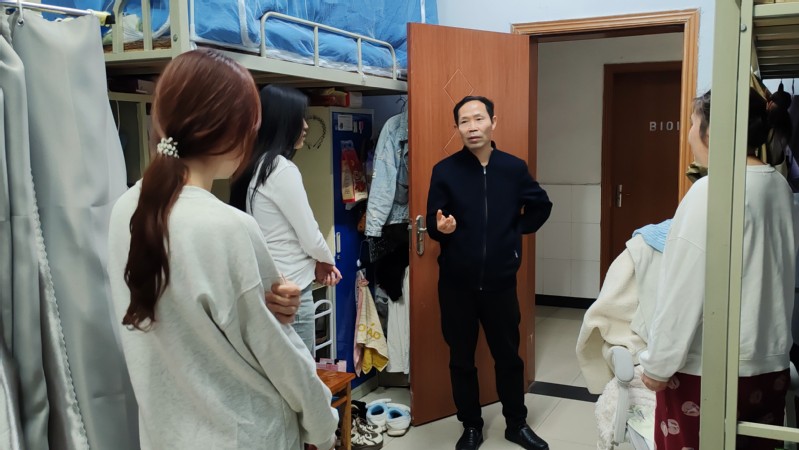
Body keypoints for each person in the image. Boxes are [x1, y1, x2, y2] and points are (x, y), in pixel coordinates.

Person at [107, 49, 338, 450]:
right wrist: (323, 424)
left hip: (166, 435)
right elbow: (280, 356)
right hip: (245, 435)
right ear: (234, 132)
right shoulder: (227, 227)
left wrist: (269, 302)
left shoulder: (125, 210)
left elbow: (188, 314)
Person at [640, 89, 797, 450]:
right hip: (769, 365)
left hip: (709, 371)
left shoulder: (711, 191)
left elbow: (683, 289)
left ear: (711, 132)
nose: (689, 134)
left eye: (692, 123)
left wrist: (658, 365)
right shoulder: (779, 186)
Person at [426, 95, 553, 450]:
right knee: (461, 360)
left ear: (493, 122)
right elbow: (434, 222)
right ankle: (471, 426)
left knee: (508, 358)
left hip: (500, 283)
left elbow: (542, 206)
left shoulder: (513, 168)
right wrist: (442, 229)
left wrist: (514, 231)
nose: (472, 127)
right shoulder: (445, 170)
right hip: (457, 285)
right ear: (457, 128)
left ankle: (516, 423)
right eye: (464, 121)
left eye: (478, 118)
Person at [230, 84, 342, 354]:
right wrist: (326, 261)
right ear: (282, 122)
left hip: (267, 284)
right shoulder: (281, 168)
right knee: (300, 370)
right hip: (291, 290)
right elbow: (309, 234)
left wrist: (318, 262)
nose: (305, 126)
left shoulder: (253, 165)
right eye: (299, 118)